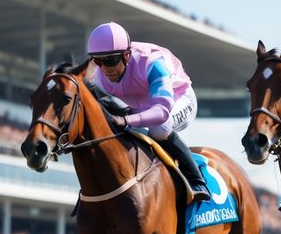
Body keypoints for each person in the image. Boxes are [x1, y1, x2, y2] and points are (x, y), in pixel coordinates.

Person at [85, 21, 210, 203]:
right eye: (98, 61)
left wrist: (126, 120)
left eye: (111, 60)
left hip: (178, 99)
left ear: (126, 55)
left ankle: (197, 181)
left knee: (158, 129)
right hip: (141, 106)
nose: (105, 68)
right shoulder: (97, 76)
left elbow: (161, 111)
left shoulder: (152, 63)